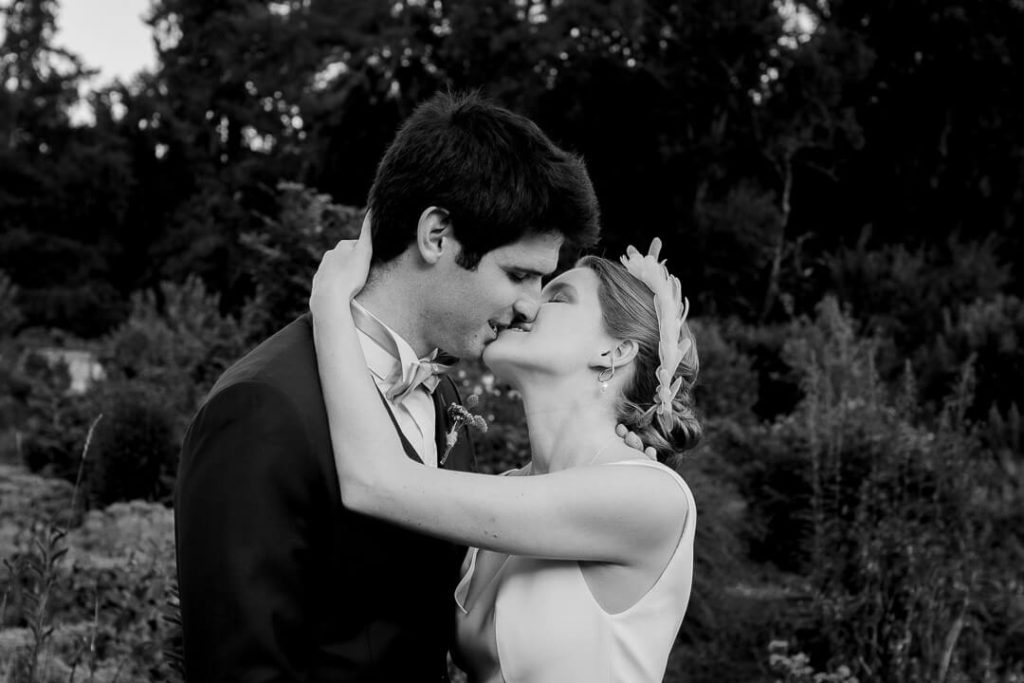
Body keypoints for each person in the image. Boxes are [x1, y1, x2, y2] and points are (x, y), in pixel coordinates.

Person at [174, 91, 601, 681]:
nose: (531, 307)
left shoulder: (446, 401)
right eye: (519, 275)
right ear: (436, 235)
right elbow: (239, 667)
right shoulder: (261, 408)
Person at [309, 221, 702, 682]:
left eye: (558, 297)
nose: (528, 305)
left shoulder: (651, 497)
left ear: (614, 352)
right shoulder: (509, 490)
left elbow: (375, 482)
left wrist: (332, 301)